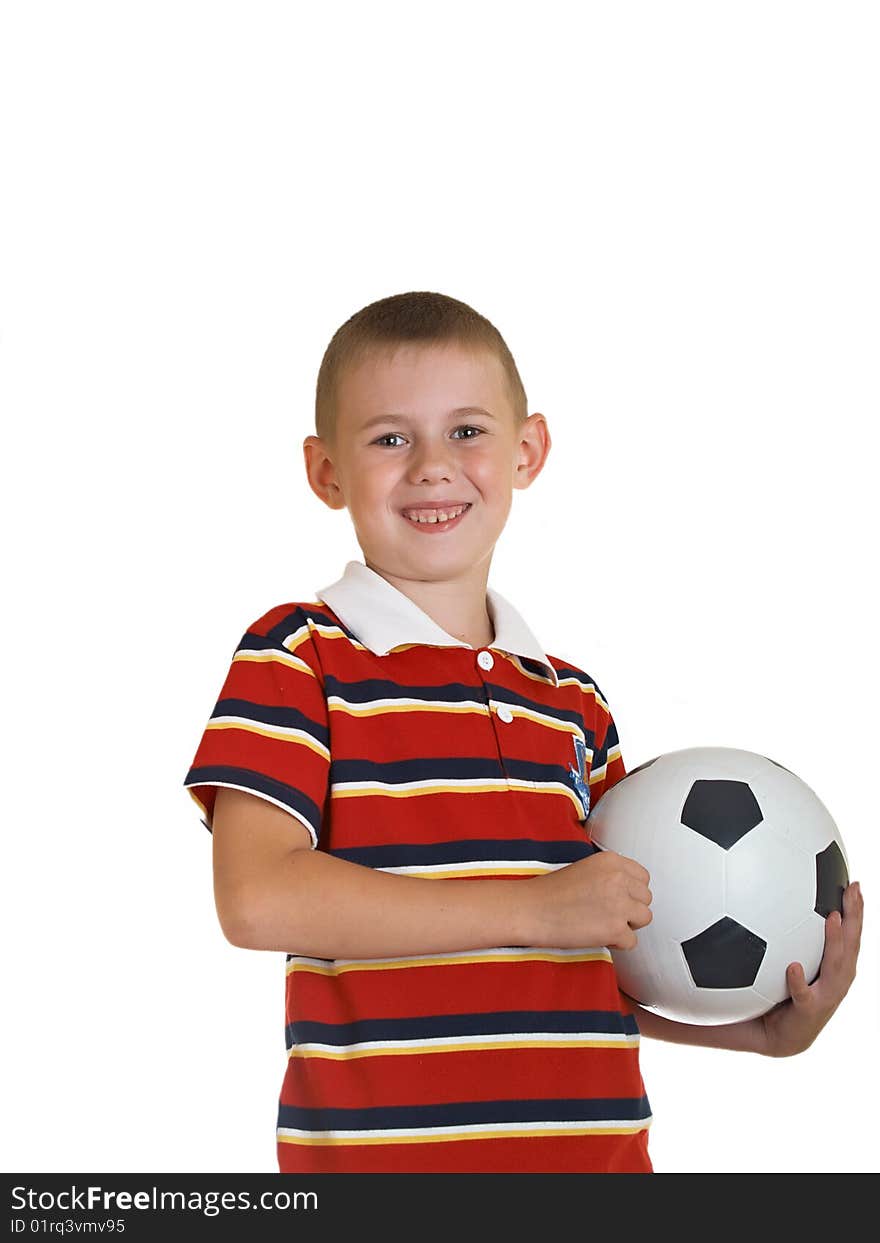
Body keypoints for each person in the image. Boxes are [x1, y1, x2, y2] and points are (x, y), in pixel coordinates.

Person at [183, 290, 863, 1174]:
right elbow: (256, 897)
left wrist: (758, 1035)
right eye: (390, 438)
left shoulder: (572, 702)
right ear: (326, 473)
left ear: (528, 450)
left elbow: (601, 955)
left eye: (467, 431)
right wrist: (535, 906)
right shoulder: (301, 656)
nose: (432, 466)